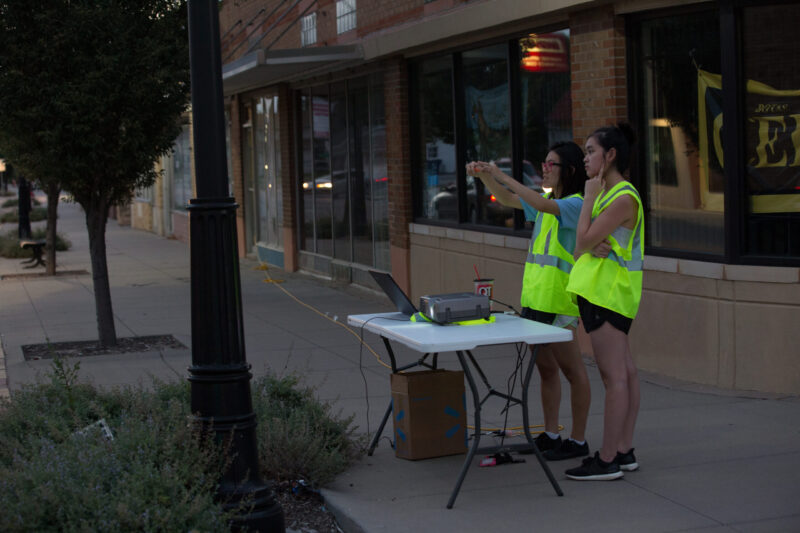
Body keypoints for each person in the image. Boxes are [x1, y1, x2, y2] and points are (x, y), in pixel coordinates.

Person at [466, 141, 595, 462]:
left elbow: (531, 198)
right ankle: (551, 434)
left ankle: (578, 440)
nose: (545, 169)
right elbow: (511, 199)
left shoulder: (576, 204)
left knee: (573, 371)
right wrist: (485, 178)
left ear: (571, 170)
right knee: (546, 371)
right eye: (544, 163)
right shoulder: (547, 200)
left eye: (552, 164)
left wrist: (501, 173)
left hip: (561, 304)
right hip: (534, 302)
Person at [564, 123, 643, 481]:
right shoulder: (615, 195)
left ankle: (608, 458)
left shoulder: (620, 196)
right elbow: (591, 242)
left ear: (611, 155)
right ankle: (624, 451)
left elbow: (580, 242)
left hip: (607, 296)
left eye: (591, 151)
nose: (585, 159)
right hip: (608, 294)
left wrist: (589, 200)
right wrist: (593, 236)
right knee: (625, 373)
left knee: (615, 379)